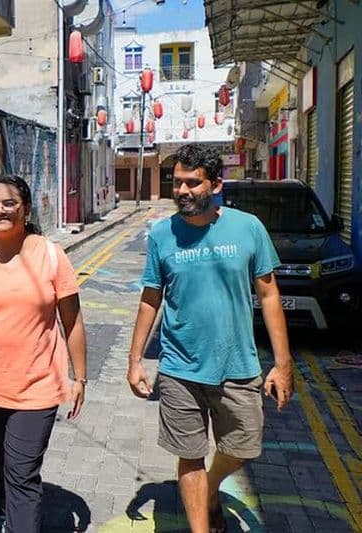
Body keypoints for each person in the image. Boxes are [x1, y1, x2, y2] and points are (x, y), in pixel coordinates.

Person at [126, 144, 293, 533]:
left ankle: (213, 486)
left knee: (243, 446)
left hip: (238, 365)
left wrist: (283, 365)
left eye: (192, 183)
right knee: (189, 455)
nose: (182, 191)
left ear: (216, 184)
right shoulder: (162, 234)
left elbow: (269, 295)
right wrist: (135, 359)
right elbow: (151, 297)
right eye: (177, 182)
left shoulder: (248, 227)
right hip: (180, 367)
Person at [0, 174, 87, 533]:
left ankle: (18, 520)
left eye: (9, 203)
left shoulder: (51, 256)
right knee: (1, 467)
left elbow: (72, 321)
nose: (0, 210)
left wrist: (79, 376)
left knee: (22, 473)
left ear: (24, 208)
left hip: (37, 388)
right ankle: (7, 509)